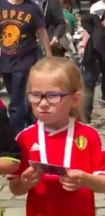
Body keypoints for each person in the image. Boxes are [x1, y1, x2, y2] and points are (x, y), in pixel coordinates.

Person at [7, 57, 105, 216]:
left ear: (75, 99)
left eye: (53, 96)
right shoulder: (24, 138)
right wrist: (24, 182)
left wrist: (85, 180)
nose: (43, 103)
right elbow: (15, 188)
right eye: (35, 95)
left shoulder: (89, 136)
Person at [0, 0, 52, 134]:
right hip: (5, 61)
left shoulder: (32, 8)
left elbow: (41, 31)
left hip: (25, 60)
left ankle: (16, 136)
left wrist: (49, 55)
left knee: (16, 103)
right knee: (17, 97)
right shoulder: (1, 5)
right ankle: (31, 126)